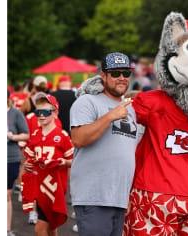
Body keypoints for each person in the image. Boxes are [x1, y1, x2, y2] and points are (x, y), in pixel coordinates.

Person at [70, 52, 137, 236]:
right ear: (104, 76)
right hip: (94, 197)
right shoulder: (87, 102)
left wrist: (127, 195)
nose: (121, 78)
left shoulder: (130, 109)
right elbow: (79, 139)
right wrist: (110, 116)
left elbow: (129, 154)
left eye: (126, 73)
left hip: (119, 198)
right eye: (115, 74)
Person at [23, 93, 74, 236]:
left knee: (40, 229)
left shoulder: (62, 135)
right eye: (38, 112)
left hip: (56, 188)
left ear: (55, 112)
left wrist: (64, 162)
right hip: (40, 188)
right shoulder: (34, 135)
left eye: (45, 112)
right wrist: (28, 164)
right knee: (51, 228)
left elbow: (75, 161)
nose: (41, 115)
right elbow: (30, 159)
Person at [7, 89, 30, 236]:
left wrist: (13, 136)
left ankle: (7, 229)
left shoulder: (15, 113)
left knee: (6, 195)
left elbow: (26, 134)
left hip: (10, 158)